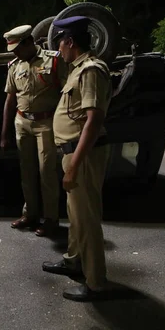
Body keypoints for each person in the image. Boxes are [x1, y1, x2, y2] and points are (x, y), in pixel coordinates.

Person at [41, 16, 113, 301]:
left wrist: (74, 165)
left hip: (83, 155)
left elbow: (94, 121)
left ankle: (96, 283)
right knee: (76, 215)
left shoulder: (91, 70)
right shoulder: (76, 69)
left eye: (60, 42)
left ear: (70, 41)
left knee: (88, 219)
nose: (59, 49)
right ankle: (74, 260)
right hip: (71, 152)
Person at [1, 24, 68, 237]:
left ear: (29, 42)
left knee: (46, 172)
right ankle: (30, 214)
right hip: (22, 123)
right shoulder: (14, 66)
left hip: (46, 123)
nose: (16, 53)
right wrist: (4, 134)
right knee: (26, 172)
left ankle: (51, 219)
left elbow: (66, 92)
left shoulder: (54, 60)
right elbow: (10, 99)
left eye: (18, 48)